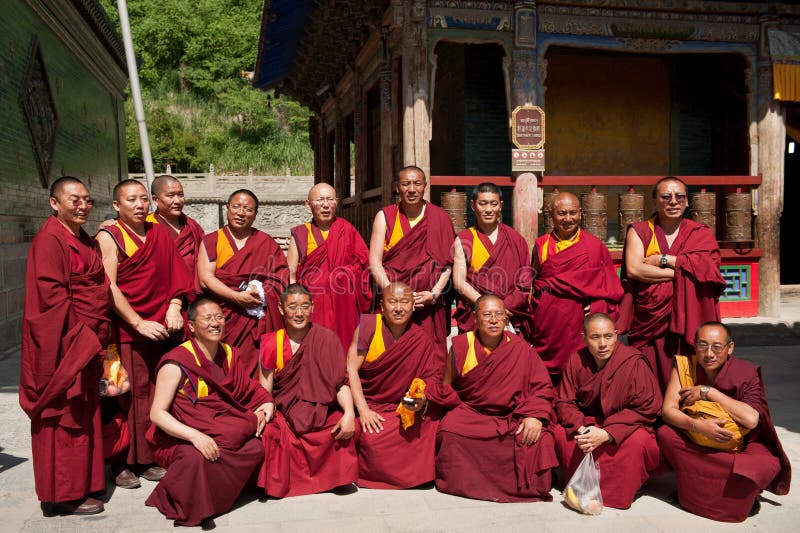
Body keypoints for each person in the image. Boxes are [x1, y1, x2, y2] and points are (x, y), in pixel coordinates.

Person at [20, 177, 110, 515]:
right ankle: (61, 495)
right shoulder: (49, 241)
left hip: (87, 339)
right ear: (54, 203)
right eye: (74, 200)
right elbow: (52, 301)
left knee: (83, 413)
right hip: (64, 344)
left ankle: (82, 483)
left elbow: (98, 286)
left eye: (87, 200)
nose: (83, 206)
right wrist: (84, 337)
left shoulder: (84, 239)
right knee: (62, 415)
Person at [96, 179, 193, 486]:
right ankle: (120, 462)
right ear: (116, 206)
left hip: (161, 329)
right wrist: (138, 322)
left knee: (153, 392)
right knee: (119, 394)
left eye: (142, 200)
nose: (139, 205)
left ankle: (148, 456)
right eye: (130, 200)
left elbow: (179, 274)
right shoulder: (109, 236)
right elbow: (108, 286)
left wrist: (175, 305)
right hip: (120, 332)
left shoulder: (157, 233)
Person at [146, 298, 273, 527]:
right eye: (207, 318)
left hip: (219, 428)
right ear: (192, 326)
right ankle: (193, 503)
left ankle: (220, 495)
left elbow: (250, 389)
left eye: (219, 317)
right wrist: (196, 436)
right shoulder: (177, 362)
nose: (215, 323)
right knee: (195, 459)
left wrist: (268, 404)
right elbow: (157, 414)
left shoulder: (229, 354)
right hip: (179, 437)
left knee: (255, 445)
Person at [658, 322, 791, 522]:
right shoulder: (684, 366)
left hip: (738, 447)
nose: (709, 353)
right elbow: (668, 411)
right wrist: (699, 426)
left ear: (730, 348)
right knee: (665, 434)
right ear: (694, 345)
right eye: (702, 345)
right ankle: (725, 487)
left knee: (763, 463)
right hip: (698, 440)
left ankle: (703, 486)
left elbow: (751, 419)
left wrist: (709, 392)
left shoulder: (745, 372)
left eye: (717, 347)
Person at [436, 295, 558, 502]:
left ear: (506, 318)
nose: (493, 320)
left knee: (541, 439)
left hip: (512, 414)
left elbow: (542, 388)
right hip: (474, 412)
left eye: (499, 314)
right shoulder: (460, 345)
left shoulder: (519, 348)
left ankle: (526, 488)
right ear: (475, 318)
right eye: (486, 315)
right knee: (449, 430)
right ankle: (463, 483)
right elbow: (448, 387)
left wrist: (534, 416)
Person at [621, 177, 727, 391]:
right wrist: (682, 272)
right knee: (649, 376)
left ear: (687, 202)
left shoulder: (701, 233)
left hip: (690, 316)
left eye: (680, 197)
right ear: (654, 202)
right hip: (650, 320)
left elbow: (709, 269)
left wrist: (665, 260)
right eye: (666, 197)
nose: (673, 201)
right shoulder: (640, 231)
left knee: (690, 371)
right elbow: (634, 269)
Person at [257, 283, 357, 498]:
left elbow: (340, 383)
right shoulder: (271, 343)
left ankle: (331, 479)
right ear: (282, 309)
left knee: (339, 426)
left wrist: (350, 413)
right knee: (269, 434)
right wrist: (265, 412)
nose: (299, 313)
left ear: (313, 307)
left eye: (304, 306)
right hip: (285, 415)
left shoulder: (327, 339)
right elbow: (265, 391)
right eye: (292, 307)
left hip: (320, 414)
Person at [554, 313, 663, 509]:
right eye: (595, 338)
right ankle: (581, 487)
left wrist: (607, 433)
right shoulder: (577, 360)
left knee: (639, 442)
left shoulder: (632, 361)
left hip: (626, 423)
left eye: (608, 336)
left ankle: (617, 493)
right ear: (583, 338)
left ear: (616, 335)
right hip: (589, 421)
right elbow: (564, 401)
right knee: (562, 435)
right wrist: (581, 428)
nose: (603, 344)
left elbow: (649, 405)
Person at [347, 282, 446, 489]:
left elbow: (428, 381)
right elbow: (351, 369)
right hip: (372, 404)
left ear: (412, 306)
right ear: (382, 306)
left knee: (431, 425)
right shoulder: (367, 327)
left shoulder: (420, 338)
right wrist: (363, 410)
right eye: (392, 302)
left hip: (402, 406)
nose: (399, 308)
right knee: (366, 433)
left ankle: (415, 475)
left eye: (404, 302)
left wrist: (416, 403)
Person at [530, 191, 623, 384]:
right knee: (548, 379)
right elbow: (535, 282)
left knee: (581, 372)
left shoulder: (595, 247)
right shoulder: (541, 245)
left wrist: (597, 307)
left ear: (580, 213)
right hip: (550, 323)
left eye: (573, 213)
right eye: (562, 213)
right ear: (551, 215)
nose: (568, 219)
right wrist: (540, 306)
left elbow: (611, 288)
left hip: (580, 322)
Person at [198, 189, 289, 377]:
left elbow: (281, 278)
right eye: (236, 207)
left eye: (248, 209)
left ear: (255, 214)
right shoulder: (212, 240)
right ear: (227, 209)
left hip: (255, 320)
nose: (241, 213)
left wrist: (261, 291)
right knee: (221, 365)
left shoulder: (265, 242)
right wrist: (236, 297)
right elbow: (206, 278)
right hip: (222, 316)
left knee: (254, 368)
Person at [368, 166, 454, 352]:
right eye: (406, 184)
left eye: (417, 184)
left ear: (425, 186)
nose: (412, 189)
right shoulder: (384, 217)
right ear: (397, 187)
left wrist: (434, 294)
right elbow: (374, 263)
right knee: (390, 354)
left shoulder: (441, 218)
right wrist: (394, 294)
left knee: (429, 359)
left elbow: (447, 265)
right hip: (393, 305)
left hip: (428, 306)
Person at [287, 183, 371, 349]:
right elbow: (291, 274)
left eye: (330, 199)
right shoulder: (301, 233)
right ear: (308, 204)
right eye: (320, 200)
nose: (325, 205)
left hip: (343, 304)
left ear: (337, 202)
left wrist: (342, 275)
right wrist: (295, 303)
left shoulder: (347, 230)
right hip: (312, 304)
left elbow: (365, 266)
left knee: (343, 348)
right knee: (315, 347)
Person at [452, 183, 533, 338]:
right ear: (473, 205)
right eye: (482, 203)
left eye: (493, 204)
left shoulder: (516, 240)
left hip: (510, 313)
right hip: (477, 314)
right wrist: (490, 308)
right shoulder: (464, 239)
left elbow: (524, 283)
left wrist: (505, 308)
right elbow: (459, 283)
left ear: (501, 206)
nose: (488, 209)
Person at [146, 175, 205, 292]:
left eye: (181, 195)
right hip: (161, 292)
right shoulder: (147, 225)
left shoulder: (192, 226)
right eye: (171, 195)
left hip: (193, 293)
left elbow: (205, 258)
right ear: (155, 200)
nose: (178, 201)